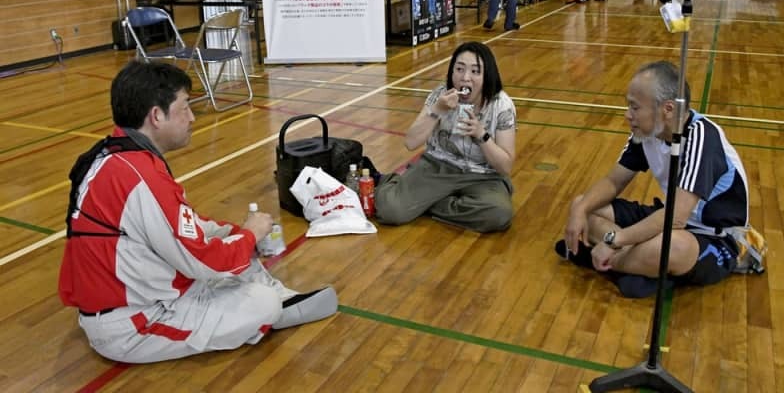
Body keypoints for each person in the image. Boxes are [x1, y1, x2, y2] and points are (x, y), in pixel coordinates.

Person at [58, 61, 338, 363]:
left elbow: (182, 226)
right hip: (132, 325)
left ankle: (273, 295)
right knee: (261, 299)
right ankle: (273, 306)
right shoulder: (139, 176)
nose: (192, 117)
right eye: (185, 107)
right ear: (156, 116)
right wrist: (249, 235)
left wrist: (234, 233)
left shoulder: (117, 155)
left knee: (231, 242)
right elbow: (201, 262)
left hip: (137, 298)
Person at [557, 61, 749, 298]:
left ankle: (606, 260)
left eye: (635, 107)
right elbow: (613, 182)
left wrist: (614, 240)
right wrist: (581, 210)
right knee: (583, 205)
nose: (628, 115)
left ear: (667, 109)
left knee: (671, 247)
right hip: (666, 218)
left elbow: (677, 218)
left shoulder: (702, 137)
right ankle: (637, 267)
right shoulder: (648, 132)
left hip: (711, 236)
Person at [374, 42, 516, 233]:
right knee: (389, 210)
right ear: (451, 72)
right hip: (437, 166)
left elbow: (505, 166)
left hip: (483, 176)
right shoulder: (440, 95)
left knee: (498, 214)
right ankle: (398, 186)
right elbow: (410, 142)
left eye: (475, 71)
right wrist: (437, 111)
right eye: (459, 69)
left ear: (487, 75)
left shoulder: (502, 105)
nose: (465, 78)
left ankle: (428, 203)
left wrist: (482, 136)